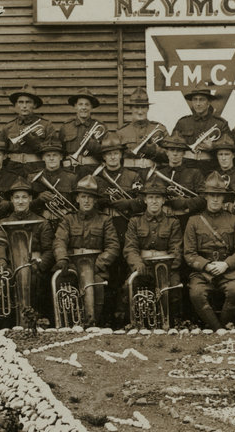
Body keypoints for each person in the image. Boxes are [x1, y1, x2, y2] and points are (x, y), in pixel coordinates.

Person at [183, 171, 235, 330]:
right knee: (196, 293)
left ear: (224, 198)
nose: (215, 199)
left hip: (228, 269)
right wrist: (205, 265)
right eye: (211, 195)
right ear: (206, 196)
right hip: (203, 271)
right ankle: (217, 328)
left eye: (218, 196)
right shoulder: (194, 221)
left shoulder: (234, 220)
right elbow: (189, 253)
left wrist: (226, 264)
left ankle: (221, 326)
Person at [53, 175, 120, 326]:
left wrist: (98, 265)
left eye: (90, 197)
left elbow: (113, 246)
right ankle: (68, 324)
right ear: (77, 199)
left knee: (97, 284)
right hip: (72, 266)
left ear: (95, 200)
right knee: (62, 283)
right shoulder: (68, 219)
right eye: (83, 196)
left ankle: (93, 323)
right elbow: (59, 241)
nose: (87, 200)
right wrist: (62, 259)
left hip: (95, 267)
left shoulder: (105, 220)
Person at [93, 132, 143, 325]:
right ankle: (108, 317)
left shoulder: (133, 175)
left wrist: (128, 203)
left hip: (126, 225)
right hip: (105, 225)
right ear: (104, 157)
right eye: (108, 154)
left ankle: (128, 316)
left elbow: (143, 201)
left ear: (121, 155)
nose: (113, 157)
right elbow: (88, 201)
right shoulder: (97, 178)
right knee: (109, 270)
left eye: (115, 153)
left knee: (126, 268)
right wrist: (103, 201)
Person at [0, 178, 56, 322]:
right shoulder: (2, 223)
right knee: (0, 278)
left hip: (35, 267)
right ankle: (7, 322)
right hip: (11, 266)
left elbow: (49, 250)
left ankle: (36, 321)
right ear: (12, 200)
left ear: (30, 199)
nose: (20, 201)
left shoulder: (42, 222)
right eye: (17, 197)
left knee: (36, 281)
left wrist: (39, 265)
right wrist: (1, 260)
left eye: (24, 197)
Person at [122, 179, 183, 326]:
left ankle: (170, 323)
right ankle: (138, 323)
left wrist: (167, 268)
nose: (154, 201)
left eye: (157, 197)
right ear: (145, 200)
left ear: (163, 200)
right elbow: (130, 248)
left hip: (166, 267)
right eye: (150, 197)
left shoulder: (172, 222)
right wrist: (137, 264)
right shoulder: (135, 221)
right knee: (129, 287)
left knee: (174, 288)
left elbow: (176, 249)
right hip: (143, 266)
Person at [172, 81, 231, 174]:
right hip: (186, 166)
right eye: (195, 100)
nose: (198, 103)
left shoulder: (220, 124)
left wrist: (213, 147)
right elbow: (172, 146)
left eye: (202, 99)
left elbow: (229, 149)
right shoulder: (182, 122)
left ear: (209, 102)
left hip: (210, 166)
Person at [152, 134, 206, 231]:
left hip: (188, 219)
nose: (175, 154)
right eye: (172, 150)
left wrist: (186, 203)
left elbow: (204, 197)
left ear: (183, 154)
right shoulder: (160, 174)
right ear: (167, 152)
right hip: (164, 220)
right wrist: (165, 205)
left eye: (179, 151)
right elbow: (152, 196)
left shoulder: (194, 173)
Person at [117, 86, 167, 177]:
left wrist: (154, 150)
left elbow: (169, 155)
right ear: (131, 109)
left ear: (148, 108)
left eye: (143, 107)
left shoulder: (159, 129)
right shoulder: (122, 132)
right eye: (136, 107)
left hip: (153, 176)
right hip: (128, 176)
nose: (140, 112)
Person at [2, 83, 50, 177]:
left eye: (28, 102)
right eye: (21, 102)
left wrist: (33, 142)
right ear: (16, 105)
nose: (24, 106)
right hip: (12, 169)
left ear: (34, 105)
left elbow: (52, 151)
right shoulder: (8, 127)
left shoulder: (46, 125)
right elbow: (1, 150)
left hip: (36, 169)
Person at [30, 137, 78, 224]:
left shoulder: (71, 177)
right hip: (41, 221)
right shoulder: (32, 177)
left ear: (61, 157)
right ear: (43, 158)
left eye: (55, 155)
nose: (51, 158)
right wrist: (38, 200)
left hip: (66, 221)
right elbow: (27, 205)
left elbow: (77, 203)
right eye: (48, 155)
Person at [60, 88, 105, 176]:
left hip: (92, 170)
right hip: (70, 170)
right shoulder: (66, 126)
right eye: (80, 104)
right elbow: (61, 152)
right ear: (75, 106)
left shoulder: (100, 127)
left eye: (87, 104)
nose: (84, 108)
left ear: (91, 107)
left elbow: (106, 154)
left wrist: (93, 146)